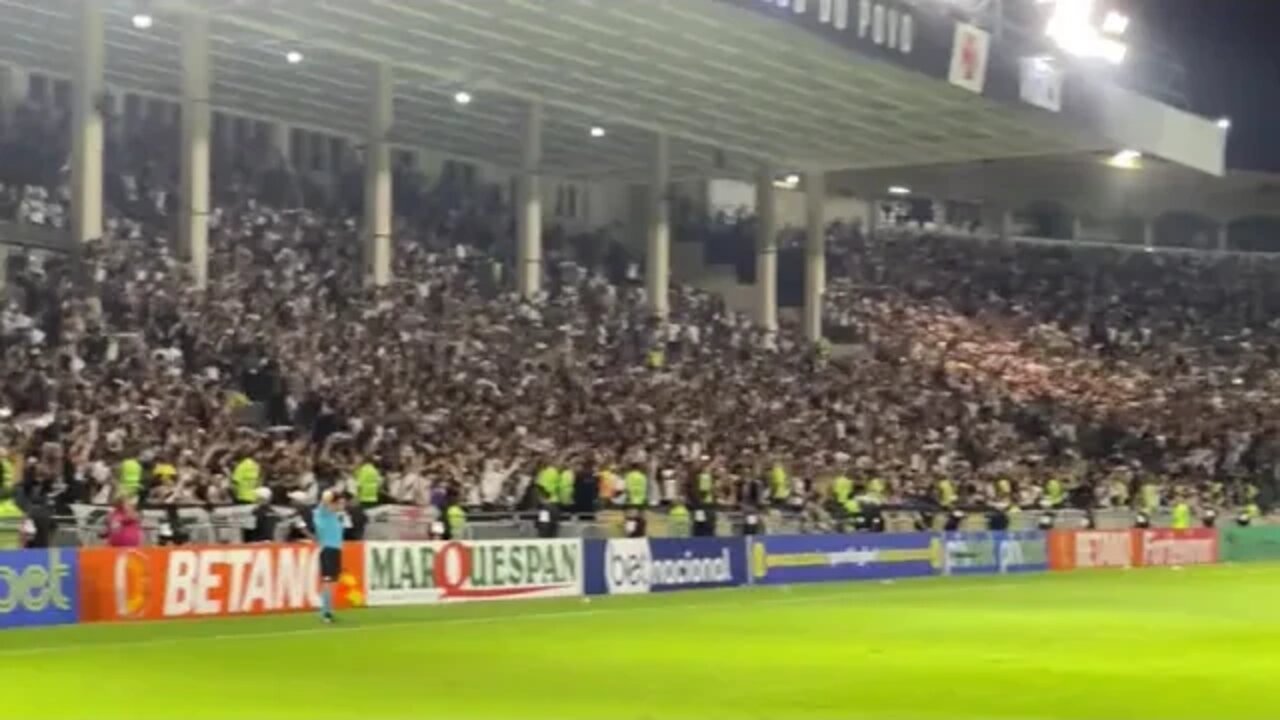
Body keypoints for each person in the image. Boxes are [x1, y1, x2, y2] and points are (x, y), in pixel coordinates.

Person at [313, 490, 345, 624]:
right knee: (328, 582)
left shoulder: (334, 516)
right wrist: (332, 494)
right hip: (328, 550)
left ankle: (328, 610)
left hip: (336, 550)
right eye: (340, 503)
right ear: (333, 503)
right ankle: (326, 612)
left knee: (334, 582)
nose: (342, 506)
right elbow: (325, 498)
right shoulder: (323, 513)